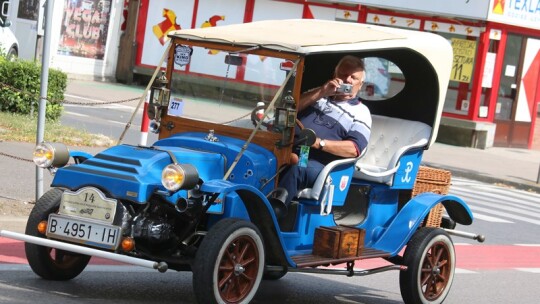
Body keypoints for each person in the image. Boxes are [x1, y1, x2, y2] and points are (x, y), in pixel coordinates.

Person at [275, 55, 372, 214]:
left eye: (353, 77)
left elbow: (354, 148)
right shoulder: (318, 95)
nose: (347, 80)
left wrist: (320, 143)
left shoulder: (361, 112)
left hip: (319, 162)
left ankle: (272, 215)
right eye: (342, 74)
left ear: (360, 84)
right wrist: (321, 91)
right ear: (335, 74)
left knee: (296, 168)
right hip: (290, 149)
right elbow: (288, 110)